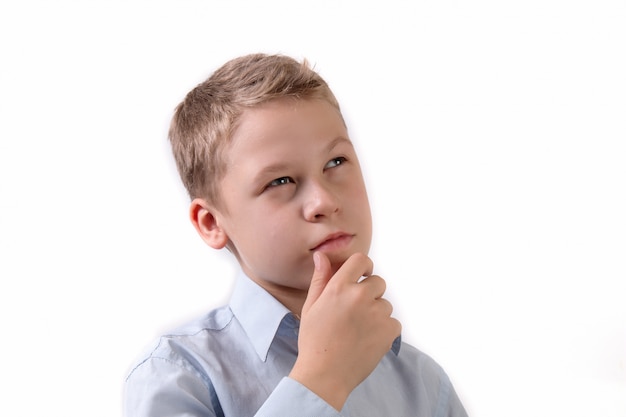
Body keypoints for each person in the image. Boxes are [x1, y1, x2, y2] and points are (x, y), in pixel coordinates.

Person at [124, 53, 468, 417]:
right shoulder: (176, 374)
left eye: (335, 162)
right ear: (211, 223)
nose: (323, 201)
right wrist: (322, 378)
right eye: (280, 181)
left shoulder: (423, 384)